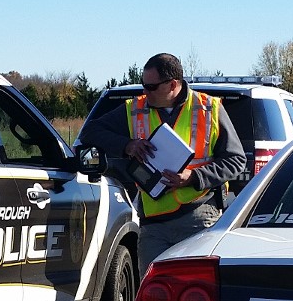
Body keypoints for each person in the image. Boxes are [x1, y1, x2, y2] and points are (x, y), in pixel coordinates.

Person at [80, 53, 246, 273]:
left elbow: (236, 160)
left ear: (172, 85)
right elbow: (90, 131)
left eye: (151, 86)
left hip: (198, 219)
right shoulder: (134, 109)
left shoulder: (209, 108)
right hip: (153, 224)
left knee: (195, 293)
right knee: (152, 295)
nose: (145, 92)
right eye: (143, 85)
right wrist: (127, 145)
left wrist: (194, 177)